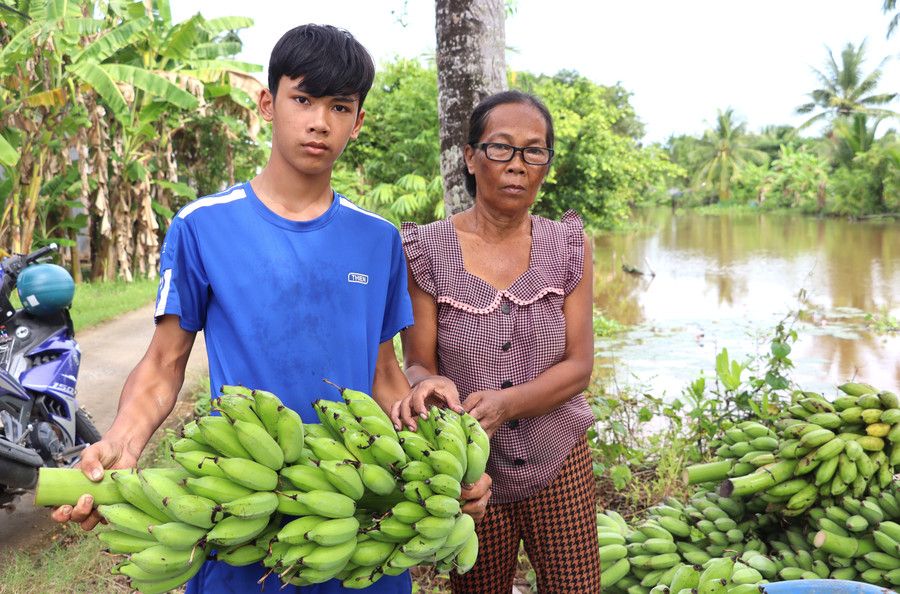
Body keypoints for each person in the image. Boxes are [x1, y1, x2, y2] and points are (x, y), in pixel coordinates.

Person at [50, 24, 418, 593]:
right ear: (268, 104)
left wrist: (433, 471)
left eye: (339, 106)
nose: (320, 121)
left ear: (358, 120)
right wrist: (120, 444)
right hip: (242, 512)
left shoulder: (379, 239)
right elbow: (165, 364)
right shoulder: (203, 226)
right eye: (303, 100)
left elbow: (383, 372)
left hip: (357, 518)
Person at [391, 90, 602, 593]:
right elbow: (417, 363)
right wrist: (428, 383)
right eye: (502, 148)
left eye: (534, 151)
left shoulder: (570, 245)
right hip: (468, 466)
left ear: (546, 164)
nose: (518, 165)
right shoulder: (426, 250)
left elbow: (579, 367)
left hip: (558, 456)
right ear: (470, 156)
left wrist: (508, 404)